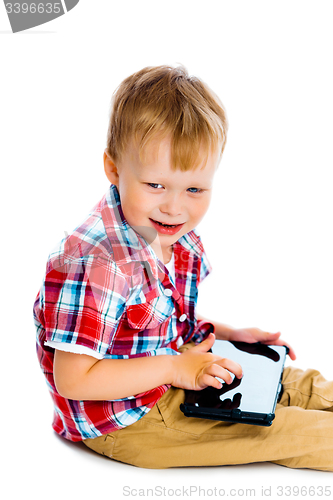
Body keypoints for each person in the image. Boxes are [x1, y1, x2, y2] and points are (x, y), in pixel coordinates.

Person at [34, 65, 333, 471]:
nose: (175, 207)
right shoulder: (98, 262)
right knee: (295, 433)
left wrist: (227, 334)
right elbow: (75, 379)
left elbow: (151, 319)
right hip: (128, 421)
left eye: (194, 189)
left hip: (173, 366)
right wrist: (176, 367)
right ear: (114, 169)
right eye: (156, 185)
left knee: (302, 385)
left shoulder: (166, 231)